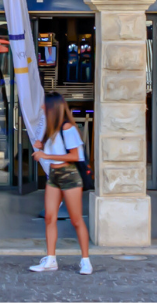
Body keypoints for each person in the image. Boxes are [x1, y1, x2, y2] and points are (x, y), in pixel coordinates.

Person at [28, 92, 92, 275]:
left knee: (76, 220)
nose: (41, 107)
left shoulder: (67, 128)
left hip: (69, 175)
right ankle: (50, 260)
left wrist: (46, 155)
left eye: (44, 105)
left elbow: (74, 155)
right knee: (49, 217)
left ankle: (86, 260)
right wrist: (42, 146)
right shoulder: (50, 127)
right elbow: (54, 148)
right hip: (54, 175)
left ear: (52, 107)